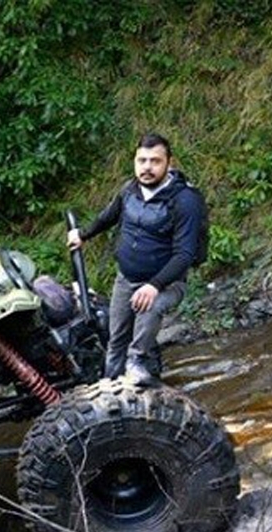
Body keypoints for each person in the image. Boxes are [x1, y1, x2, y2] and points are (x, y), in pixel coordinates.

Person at [66, 132, 207, 384]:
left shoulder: (185, 200)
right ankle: (111, 387)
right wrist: (83, 235)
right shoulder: (130, 189)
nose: (147, 167)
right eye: (142, 160)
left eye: (155, 161)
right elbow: (108, 216)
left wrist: (154, 285)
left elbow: (185, 254)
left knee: (148, 308)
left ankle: (138, 365)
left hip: (167, 283)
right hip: (126, 278)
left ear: (169, 163)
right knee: (116, 338)